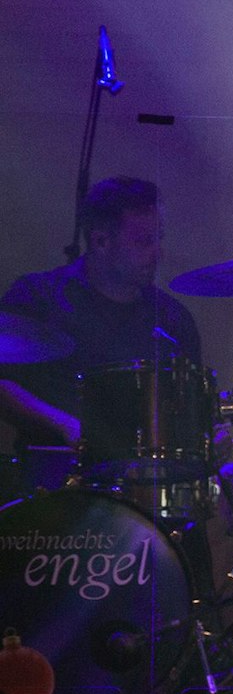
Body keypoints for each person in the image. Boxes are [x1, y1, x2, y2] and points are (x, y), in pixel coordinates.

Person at [0, 177, 204, 499]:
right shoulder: (38, 298)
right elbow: (4, 384)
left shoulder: (172, 320)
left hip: (147, 496)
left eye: (159, 238)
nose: (158, 253)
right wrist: (64, 425)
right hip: (52, 486)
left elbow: (192, 418)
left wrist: (211, 440)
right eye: (143, 241)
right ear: (100, 242)